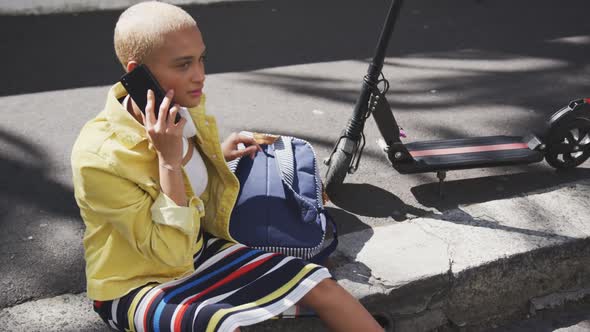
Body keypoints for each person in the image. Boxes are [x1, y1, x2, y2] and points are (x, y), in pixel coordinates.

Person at [71, 2, 383, 331]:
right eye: (184, 64)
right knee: (218, 324)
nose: (200, 76)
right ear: (138, 72)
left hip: (198, 248)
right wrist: (168, 161)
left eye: (201, 59)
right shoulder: (99, 157)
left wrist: (216, 154)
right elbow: (167, 255)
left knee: (322, 285)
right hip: (135, 282)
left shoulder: (180, 109)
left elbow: (192, 203)